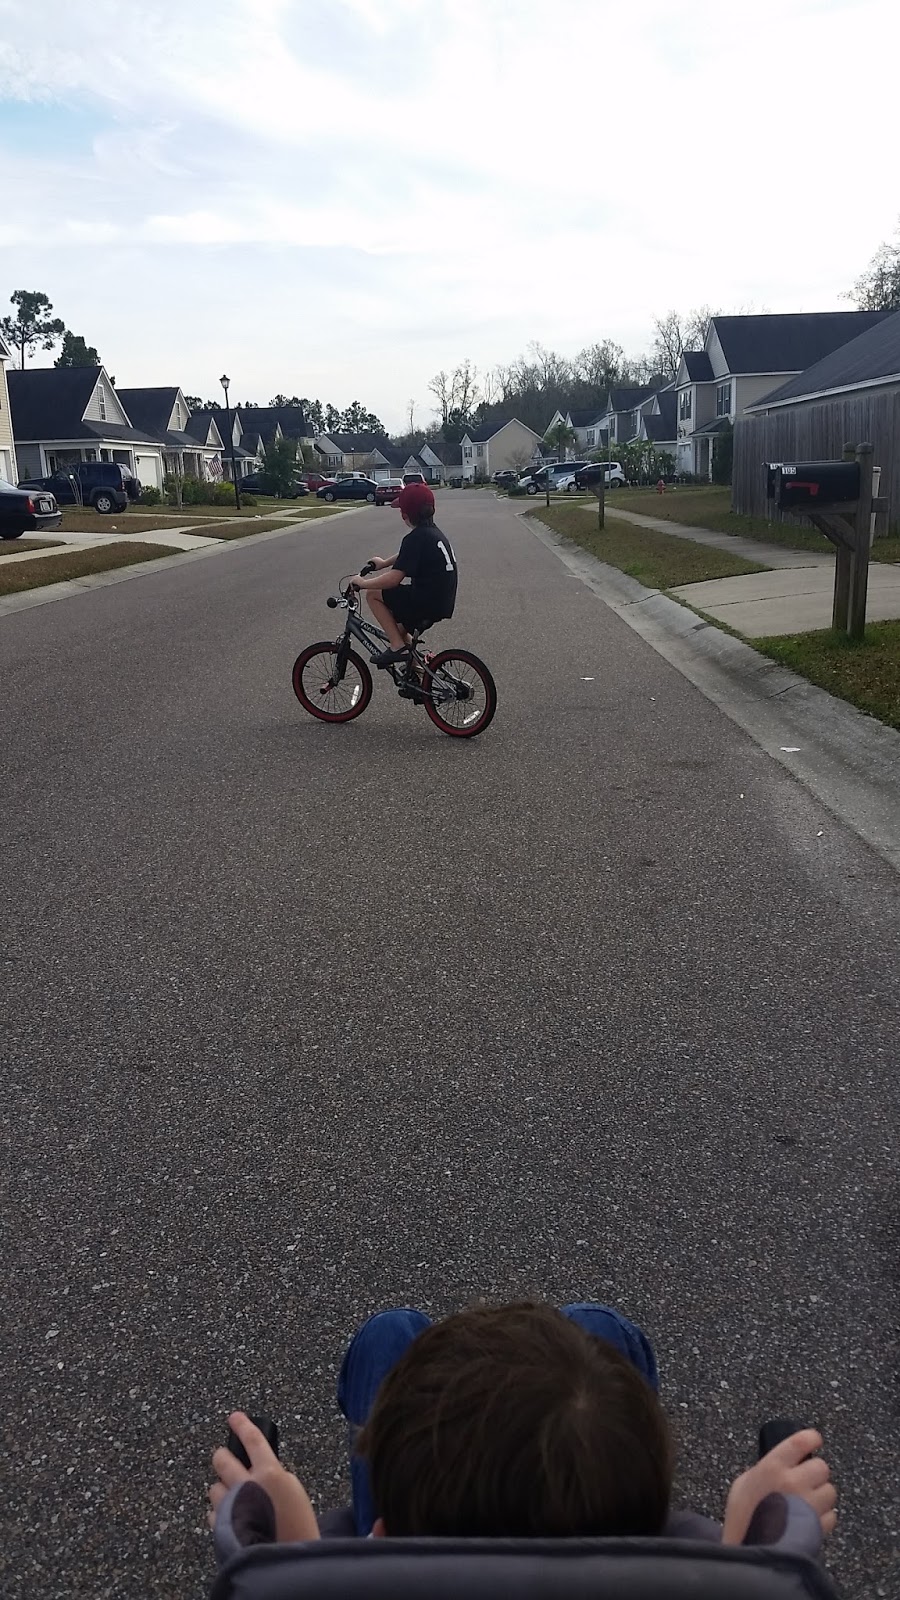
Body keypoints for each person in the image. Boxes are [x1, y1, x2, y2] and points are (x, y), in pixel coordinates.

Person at [208, 1300, 837, 1549]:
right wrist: (755, 1553)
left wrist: (290, 1554)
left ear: (382, 1526)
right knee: (599, 1335)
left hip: (406, 1552)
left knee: (390, 1336)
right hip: (625, 1553)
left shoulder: (324, 1569)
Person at [345, 482, 458, 669]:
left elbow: (393, 579)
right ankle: (419, 674)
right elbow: (407, 556)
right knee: (397, 630)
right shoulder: (432, 533)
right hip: (442, 601)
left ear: (404, 514)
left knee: (373, 594)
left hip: (425, 601)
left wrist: (363, 583)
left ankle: (396, 647)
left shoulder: (415, 538)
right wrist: (383, 563)